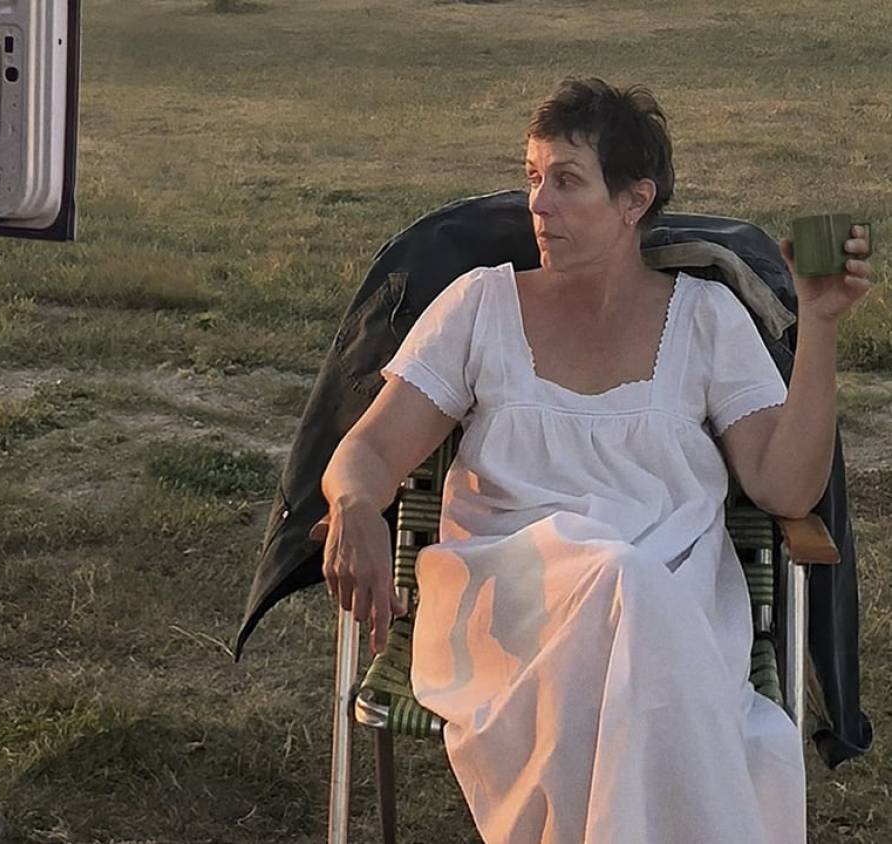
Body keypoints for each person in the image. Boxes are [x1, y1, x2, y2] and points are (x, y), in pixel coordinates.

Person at [319, 77, 874, 843]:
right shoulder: (480, 307)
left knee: (630, 589)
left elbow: (785, 486)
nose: (537, 204)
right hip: (509, 605)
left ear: (634, 201)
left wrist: (819, 324)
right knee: (620, 579)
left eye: (566, 181)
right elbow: (371, 449)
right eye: (533, 177)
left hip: (670, 607)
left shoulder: (707, 320)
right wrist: (354, 504)